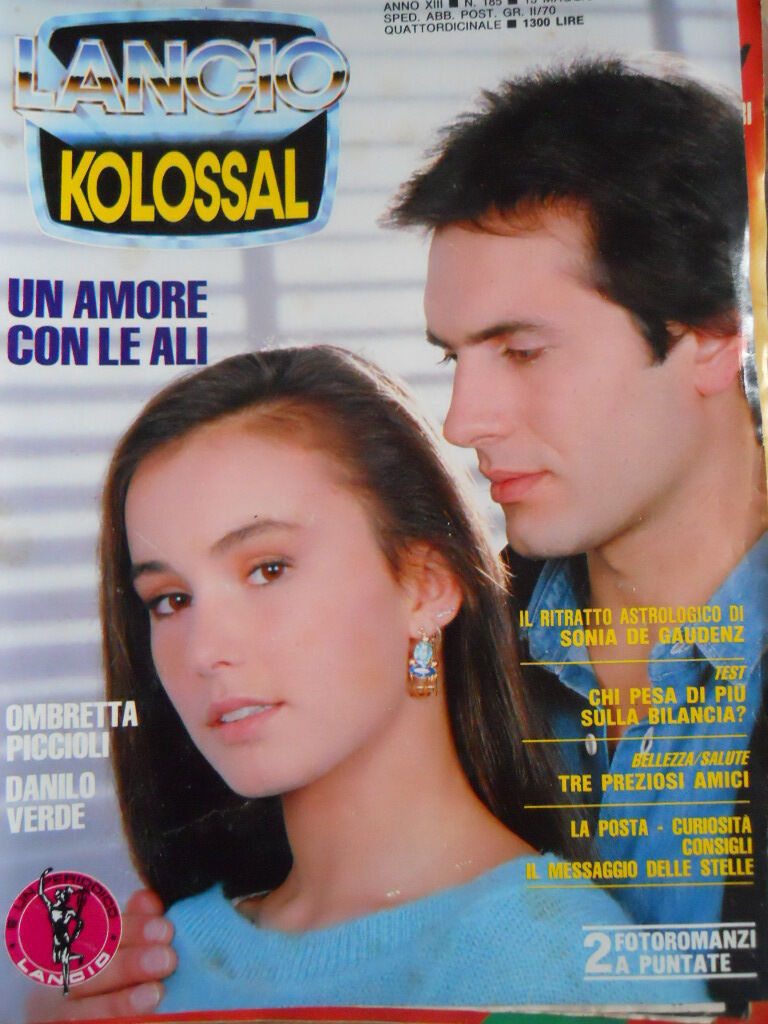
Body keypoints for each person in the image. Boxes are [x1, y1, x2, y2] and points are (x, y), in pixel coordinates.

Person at [28, 347, 705, 1019]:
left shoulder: (564, 972)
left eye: (267, 569)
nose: (204, 650)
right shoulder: (148, 975)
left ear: (426, 586)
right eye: (170, 600)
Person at [388, 54, 768, 955]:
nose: (462, 422)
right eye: (454, 357)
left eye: (521, 352)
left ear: (715, 334)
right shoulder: (435, 652)